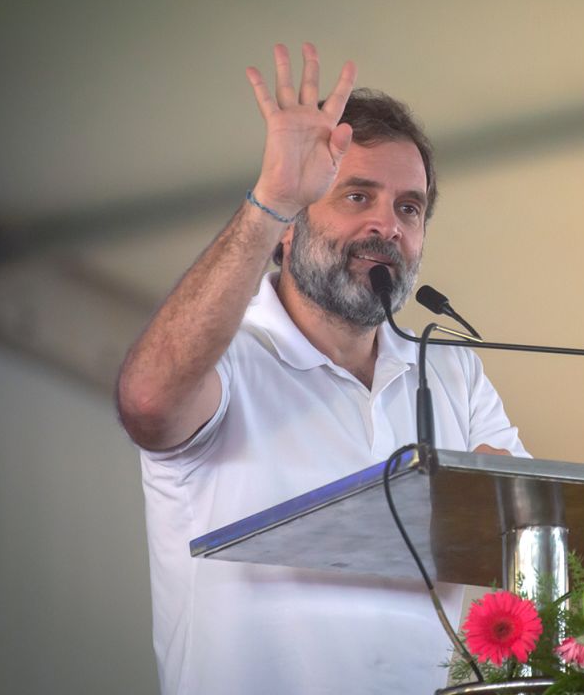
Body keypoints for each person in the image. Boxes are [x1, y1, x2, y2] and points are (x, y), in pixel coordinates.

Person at [115, 42, 529, 694]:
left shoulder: (452, 372)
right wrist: (271, 196)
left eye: (409, 207)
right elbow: (146, 402)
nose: (386, 225)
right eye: (357, 196)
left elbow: (527, 533)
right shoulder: (230, 360)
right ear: (288, 226)